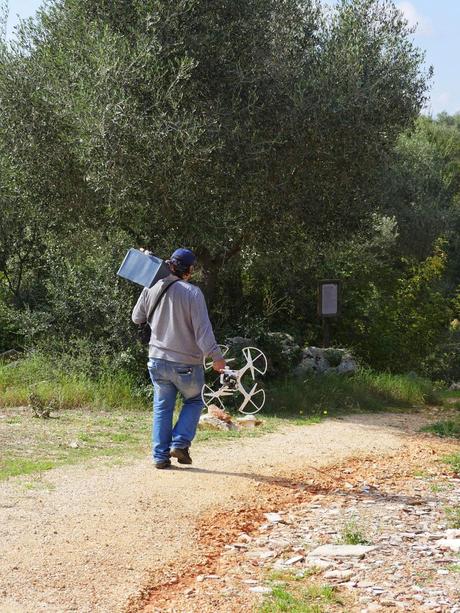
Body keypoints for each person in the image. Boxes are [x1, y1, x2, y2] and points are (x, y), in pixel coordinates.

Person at [131, 248, 225, 469]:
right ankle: (180, 443)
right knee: (195, 400)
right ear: (189, 270)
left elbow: (137, 318)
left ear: (170, 264)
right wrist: (216, 357)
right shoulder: (192, 293)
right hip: (187, 362)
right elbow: (203, 331)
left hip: (156, 359)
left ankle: (159, 457)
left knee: (162, 407)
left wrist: (148, 289)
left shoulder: (151, 286)